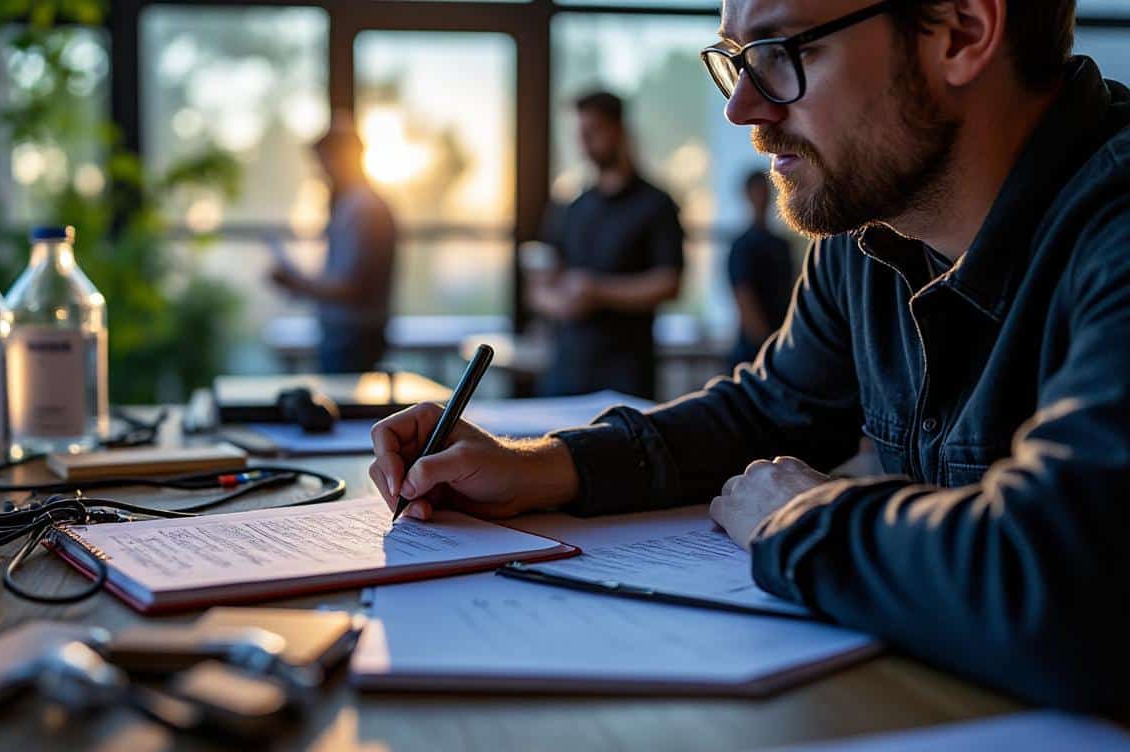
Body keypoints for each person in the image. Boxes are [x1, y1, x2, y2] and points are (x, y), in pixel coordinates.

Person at [369, 0, 1130, 712]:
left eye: (779, 50)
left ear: (961, 31)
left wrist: (802, 520)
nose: (744, 107)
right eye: (737, 57)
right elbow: (770, 411)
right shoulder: (872, 231)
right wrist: (543, 466)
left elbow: (1070, 585)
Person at [530, 91, 684, 400]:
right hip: (565, 373)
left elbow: (669, 283)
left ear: (618, 130)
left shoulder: (655, 204)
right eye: (580, 134)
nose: (584, 142)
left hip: (625, 375)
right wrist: (557, 301)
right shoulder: (568, 207)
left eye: (593, 131)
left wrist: (598, 290)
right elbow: (538, 288)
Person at [267, 113, 397, 373]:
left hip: (353, 337)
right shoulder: (353, 206)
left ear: (342, 159)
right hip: (349, 335)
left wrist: (296, 282)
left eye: (324, 163)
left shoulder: (364, 210)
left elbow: (352, 287)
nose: (321, 172)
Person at [727, 170, 795, 366]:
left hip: (781, 340)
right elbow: (744, 298)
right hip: (756, 350)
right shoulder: (742, 246)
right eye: (757, 191)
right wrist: (768, 346)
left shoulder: (781, 245)